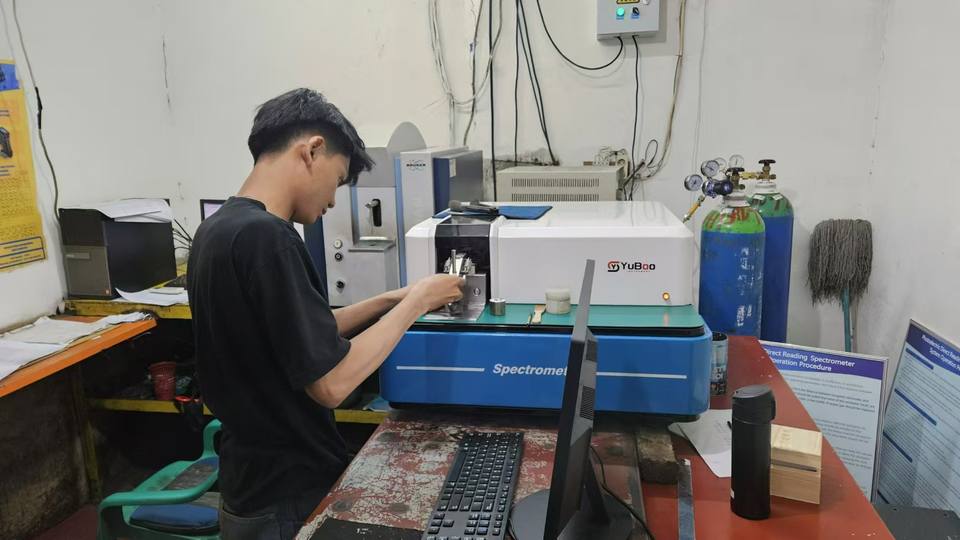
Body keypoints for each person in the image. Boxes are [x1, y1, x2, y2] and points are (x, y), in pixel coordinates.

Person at [187, 88, 464, 539]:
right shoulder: (269, 238)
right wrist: (417, 304)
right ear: (311, 150)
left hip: (247, 486)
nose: (334, 202)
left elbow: (299, 336)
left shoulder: (217, 230)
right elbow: (331, 384)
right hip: (286, 493)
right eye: (337, 181)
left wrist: (392, 299)